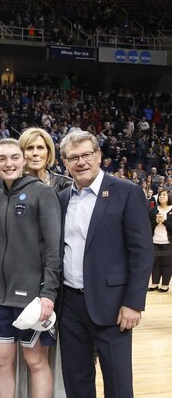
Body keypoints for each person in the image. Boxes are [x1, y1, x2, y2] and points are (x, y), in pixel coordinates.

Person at [59, 130, 153, 398]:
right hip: (70, 305)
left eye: (86, 154)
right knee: (76, 380)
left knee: (118, 382)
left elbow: (142, 252)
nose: (81, 162)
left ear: (99, 156)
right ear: (65, 163)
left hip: (113, 305)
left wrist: (134, 302)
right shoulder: (64, 197)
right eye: (73, 157)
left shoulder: (127, 192)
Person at [0, 138, 61, 398]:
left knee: (35, 361)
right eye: (2, 158)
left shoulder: (43, 192)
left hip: (31, 297)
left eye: (14, 157)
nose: (9, 164)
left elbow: (54, 249)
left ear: (23, 160)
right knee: (1, 360)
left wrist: (48, 292)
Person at [18, 127, 70, 398]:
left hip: (56, 277)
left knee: (51, 351)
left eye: (41, 148)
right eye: (30, 148)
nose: (36, 153)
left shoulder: (64, 185)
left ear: (49, 152)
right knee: (28, 354)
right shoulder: (12, 183)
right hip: (22, 278)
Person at [148, 189, 172, 293]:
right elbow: (147, 226)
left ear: (169, 197)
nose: (161, 197)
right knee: (155, 263)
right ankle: (154, 283)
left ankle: (165, 285)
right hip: (154, 241)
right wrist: (156, 222)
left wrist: (164, 222)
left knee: (166, 264)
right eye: (160, 195)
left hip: (168, 243)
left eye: (163, 195)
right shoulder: (153, 210)